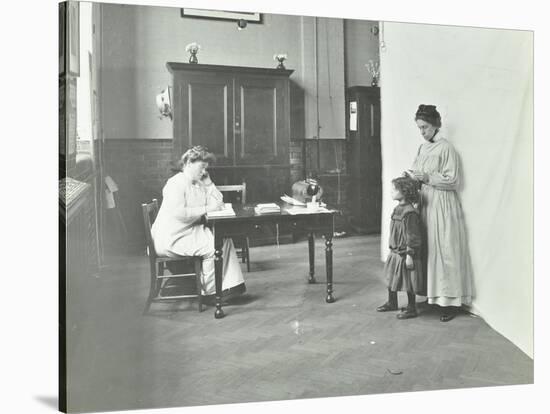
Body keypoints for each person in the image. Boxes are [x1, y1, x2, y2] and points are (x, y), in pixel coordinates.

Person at [405, 104, 473, 322]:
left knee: (445, 249)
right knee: (429, 249)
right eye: (419, 128)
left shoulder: (447, 148)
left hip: (443, 203)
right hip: (426, 202)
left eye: (425, 127)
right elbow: (417, 172)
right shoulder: (422, 148)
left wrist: (426, 178)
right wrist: (411, 178)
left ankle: (449, 302)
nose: (422, 132)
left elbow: (453, 180)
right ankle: (433, 296)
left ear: (435, 125)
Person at [151, 146, 246, 299]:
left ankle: (230, 287)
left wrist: (208, 183)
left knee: (225, 240)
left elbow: (219, 201)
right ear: (188, 163)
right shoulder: (175, 183)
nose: (204, 172)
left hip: (187, 231)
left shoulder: (198, 182)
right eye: (201, 168)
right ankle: (209, 293)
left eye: (206, 169)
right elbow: (180, 213)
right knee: (213, 248)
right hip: (172, 237)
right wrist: (208, 207)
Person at [377, 176, 425, 319]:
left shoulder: (409, 212)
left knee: (409, 281)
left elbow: (413, 236)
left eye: (394, 189)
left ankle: (411, 308)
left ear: (404, 192)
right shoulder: (398, 208)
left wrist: (410, 255)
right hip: (396, 252)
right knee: (392, 277)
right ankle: (392, 302)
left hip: (406, 253)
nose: (391, 192)